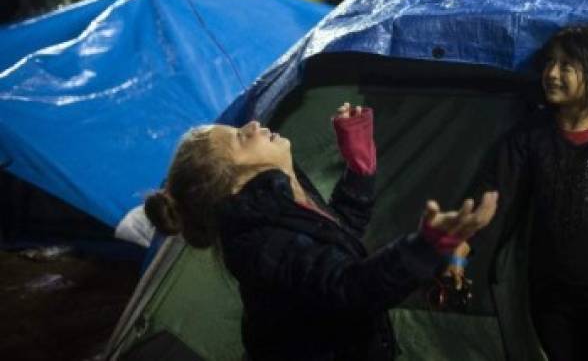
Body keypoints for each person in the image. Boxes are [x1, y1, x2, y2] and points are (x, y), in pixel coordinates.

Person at [144, 103, 498, 361]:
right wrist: (425, 248)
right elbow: (349, 288)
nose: (252, 124)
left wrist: (360, 168)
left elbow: (336, 235)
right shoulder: (259, 242)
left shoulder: (275, 201)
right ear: (232, 183)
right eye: (239, 137)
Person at [454, 24, 588, 361]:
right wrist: (462, 244)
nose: (551, 74)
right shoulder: (531, 135)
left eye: (566, 66)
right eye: (549, 63)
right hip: (549, 288)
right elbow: (496, 192)